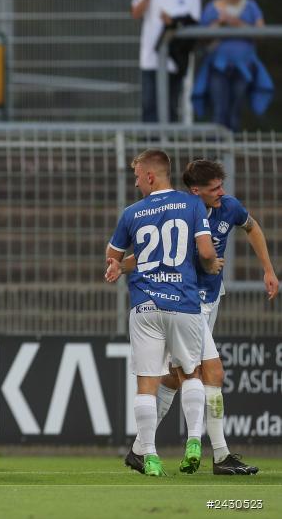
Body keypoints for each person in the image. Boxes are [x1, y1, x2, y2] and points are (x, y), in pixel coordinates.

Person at [117, 159, 275, 475]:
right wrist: (120, 265)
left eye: (221, 186)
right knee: (212, 373)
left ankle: (139, 449)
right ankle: (220, 455)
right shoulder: (184, 209)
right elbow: (159, 252)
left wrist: (268, 269)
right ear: (195, 191)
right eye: (214, 189)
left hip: (211, 299)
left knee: (178, 377)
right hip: (187, 302)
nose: (221, 193)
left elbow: (252, 227)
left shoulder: (228, 207)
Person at [104, 150, 221, 477]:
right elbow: (206, 251)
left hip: (145, 307)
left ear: (151, 176)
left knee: (147, 384)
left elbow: (113, 256)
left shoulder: (132, 213)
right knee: (190, 373)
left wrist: (117, 266)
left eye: (138, 176)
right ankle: (195, 441)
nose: (137, 182)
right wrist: (211, 266)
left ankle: (151, 456)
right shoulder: (192, 204)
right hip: (184, 304)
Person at [192, 0, 273, 132]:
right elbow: (201, 37)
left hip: (244, 66)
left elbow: (262, 32)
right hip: (218, 66)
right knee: (219, 109)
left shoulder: (251, 6)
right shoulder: (212, 7)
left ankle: (231, 152)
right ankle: (215, 153)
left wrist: (235, 23)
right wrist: (219, 24)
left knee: (235, 110)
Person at [131, 0, 201, 123]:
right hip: (150, 59)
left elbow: (193, 24)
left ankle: (168, 147)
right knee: (149, 106)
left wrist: (172, 22)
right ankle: (149, 148)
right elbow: (136, 13)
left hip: (174, 60)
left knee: (170, 106)